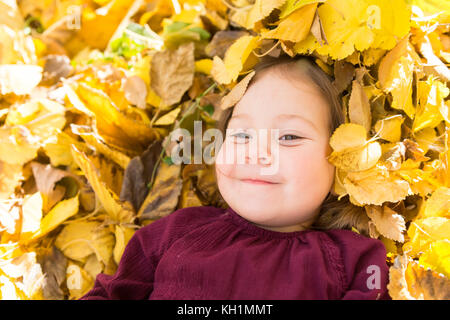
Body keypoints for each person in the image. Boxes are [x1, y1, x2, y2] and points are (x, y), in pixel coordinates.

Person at [79, 54, 391, 300]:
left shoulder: (356, 260)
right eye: (241, 135)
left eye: (289, 137)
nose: (256, 153)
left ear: (343, 159)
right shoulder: (176, 232)